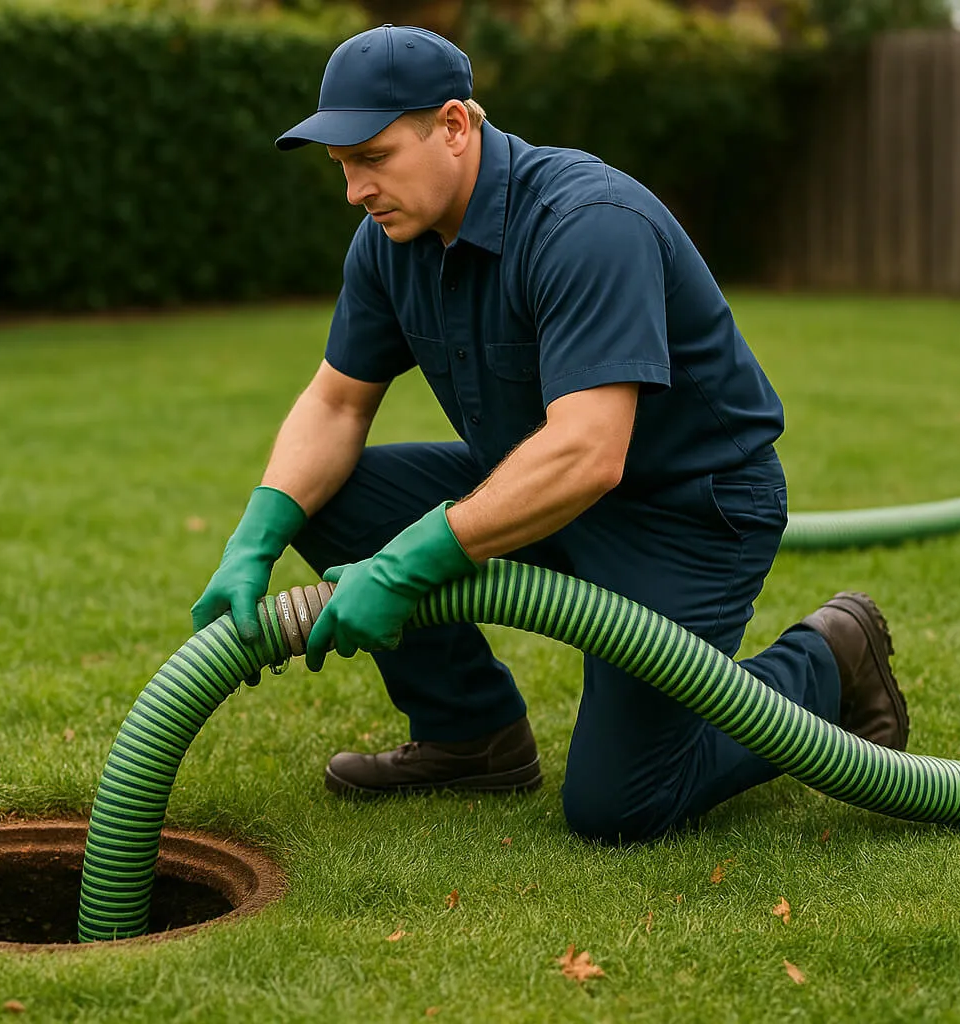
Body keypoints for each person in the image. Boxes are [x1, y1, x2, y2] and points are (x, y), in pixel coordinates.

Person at [190, 24, 909, 844]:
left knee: (621, 805)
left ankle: (829, 659)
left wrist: (402, 565)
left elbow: (588, 453)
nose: (355, 189)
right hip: (535, 484)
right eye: (341, 166)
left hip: (684, 511)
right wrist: (256, 536)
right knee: (322, 500)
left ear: (455, 127)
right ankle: (471, 738)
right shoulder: (390, 242)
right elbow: (337, 405)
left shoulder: (585, 222)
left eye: (374, 156)